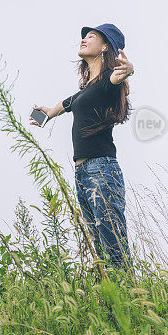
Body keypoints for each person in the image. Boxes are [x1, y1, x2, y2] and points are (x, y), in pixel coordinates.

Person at [30, 24, 135, 271]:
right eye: (84, 36)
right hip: (83, 173)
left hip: (101, 170)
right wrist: (48, 113)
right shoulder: (86, 90)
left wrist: (129, 70)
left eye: (92, 36)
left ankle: (130, 300)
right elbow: (66, 104)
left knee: (113, 245)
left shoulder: (109, 81)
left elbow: (118, 78)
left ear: (105, 46)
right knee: (100, 249)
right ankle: (113, 305)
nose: (84, 39)